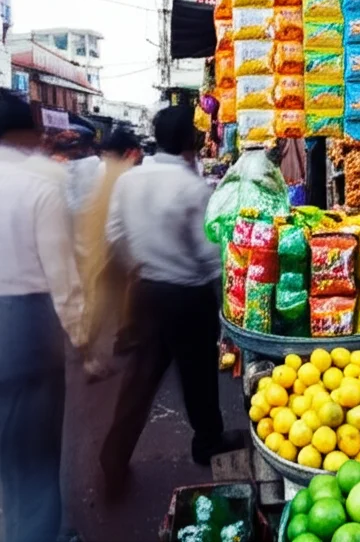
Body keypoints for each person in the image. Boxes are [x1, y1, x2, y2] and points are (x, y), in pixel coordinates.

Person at [0, 97, 86, 542]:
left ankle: (20, 528)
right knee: (42, 435)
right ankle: (42, 533)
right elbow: (62, 278)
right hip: (33, 317)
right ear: (28, 135)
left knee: (10, 428)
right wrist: (81, 336)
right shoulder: (39, 188)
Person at [99, 106, 236, 498]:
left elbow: (114, 235)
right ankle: (206, 442)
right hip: (187, 296)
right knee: (198, 378)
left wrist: (138, 268)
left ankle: (113, 457)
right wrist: (222, 290)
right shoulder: (192, 187)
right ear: (189, 142)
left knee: (138, 380)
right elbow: (208, 252)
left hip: (145, 290)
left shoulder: (130, 180)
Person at [75, 130, 142, 380]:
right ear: (130, 152)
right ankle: (88, 356)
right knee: (99, 303)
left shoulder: (101, 167)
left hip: (101, 247)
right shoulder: (117, 173)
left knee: (114, 297)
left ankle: (121, 338)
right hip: (104, 249)